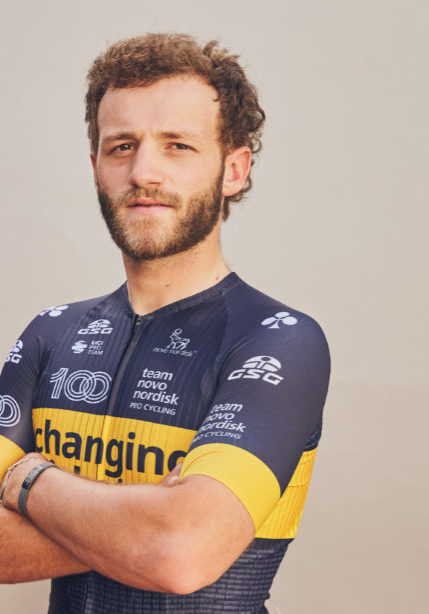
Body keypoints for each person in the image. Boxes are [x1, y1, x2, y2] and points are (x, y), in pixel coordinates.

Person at [0, 33, 330, 613]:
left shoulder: (279, 341)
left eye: (178, 145)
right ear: (96, 168)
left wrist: (26, 479)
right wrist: (144, 522)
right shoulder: (50, 334)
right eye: (121, 146)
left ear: (233, 170)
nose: (143, 171)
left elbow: (179, 553)